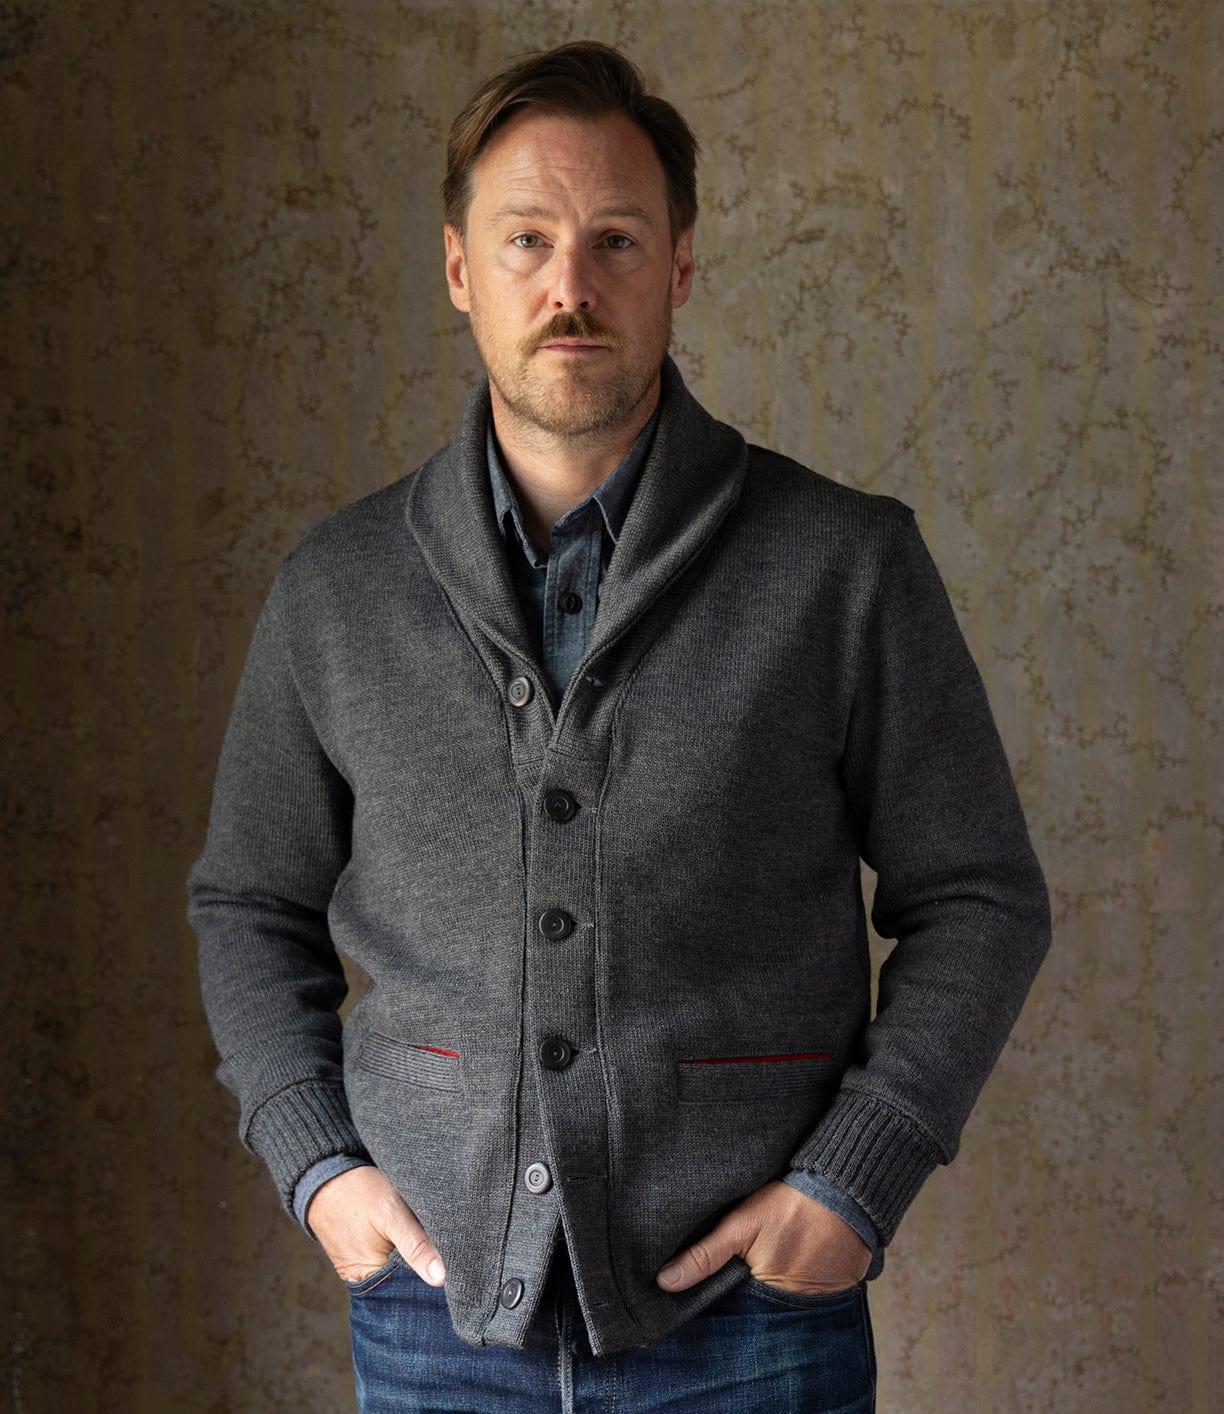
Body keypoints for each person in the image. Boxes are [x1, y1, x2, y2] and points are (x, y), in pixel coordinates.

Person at [187, 39, 1051, 1414]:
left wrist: (852, 1181)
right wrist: (316, 1166)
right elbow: (246, 899)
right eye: (526, 239)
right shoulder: (334, 591)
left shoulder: (843, 566)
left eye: (617, 240)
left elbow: (983, 894)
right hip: (431, 1322)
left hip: (753, 1328)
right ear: (461, 268)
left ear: (683, 266)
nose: (570, 286)